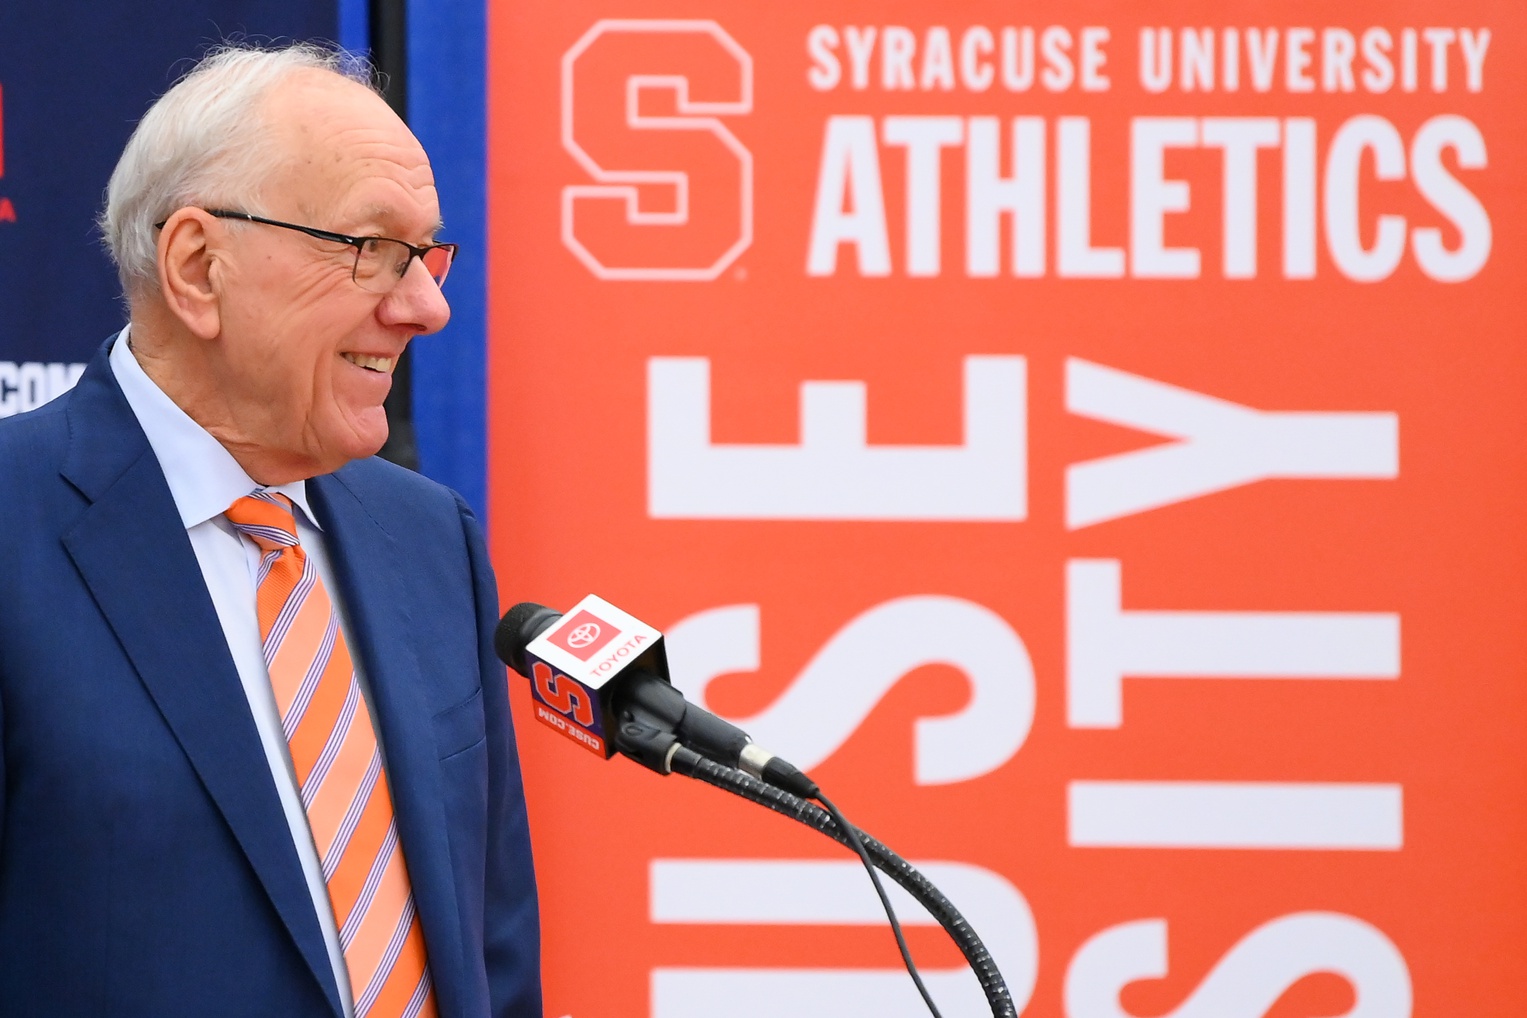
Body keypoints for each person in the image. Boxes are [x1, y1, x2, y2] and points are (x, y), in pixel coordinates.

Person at [0, 44, 539, 1017]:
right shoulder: (14, 524)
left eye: (428, 254)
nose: (426, 306)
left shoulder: (431, 541)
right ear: (199, 268)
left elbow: (494, 963)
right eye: (371, 248)